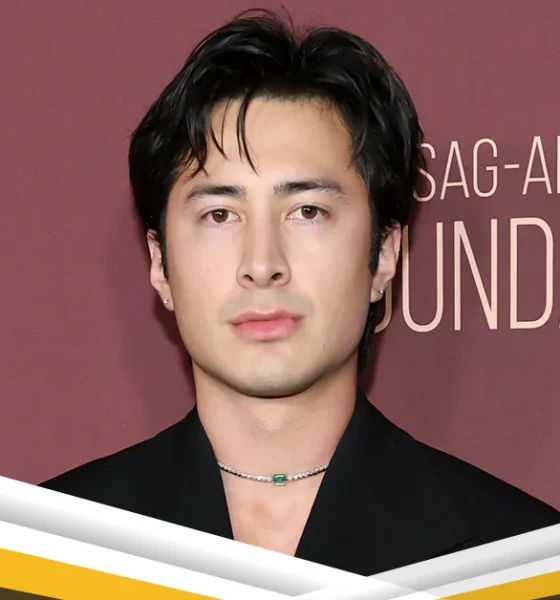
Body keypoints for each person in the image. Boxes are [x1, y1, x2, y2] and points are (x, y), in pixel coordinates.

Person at [41, 9, 559, 576]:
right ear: (161, 264)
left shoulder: (520, 563)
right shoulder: (46, 553)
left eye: (307, 211)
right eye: (220, 215)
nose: (263, 265)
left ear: (385, 253)